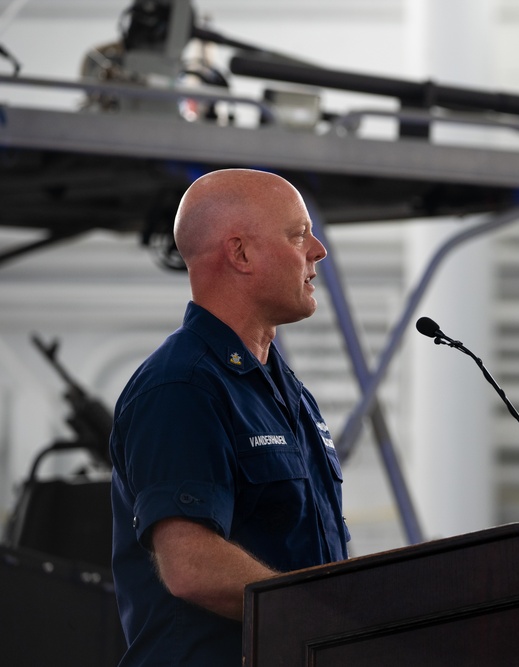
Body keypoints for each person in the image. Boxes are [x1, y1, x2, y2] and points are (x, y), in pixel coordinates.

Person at [109, 168, 350, 666]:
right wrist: (333, 617)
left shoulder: (285, 390)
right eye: (298, 234)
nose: (318, 251)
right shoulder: (182, 386)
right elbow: (191, 567)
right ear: (240, 254)